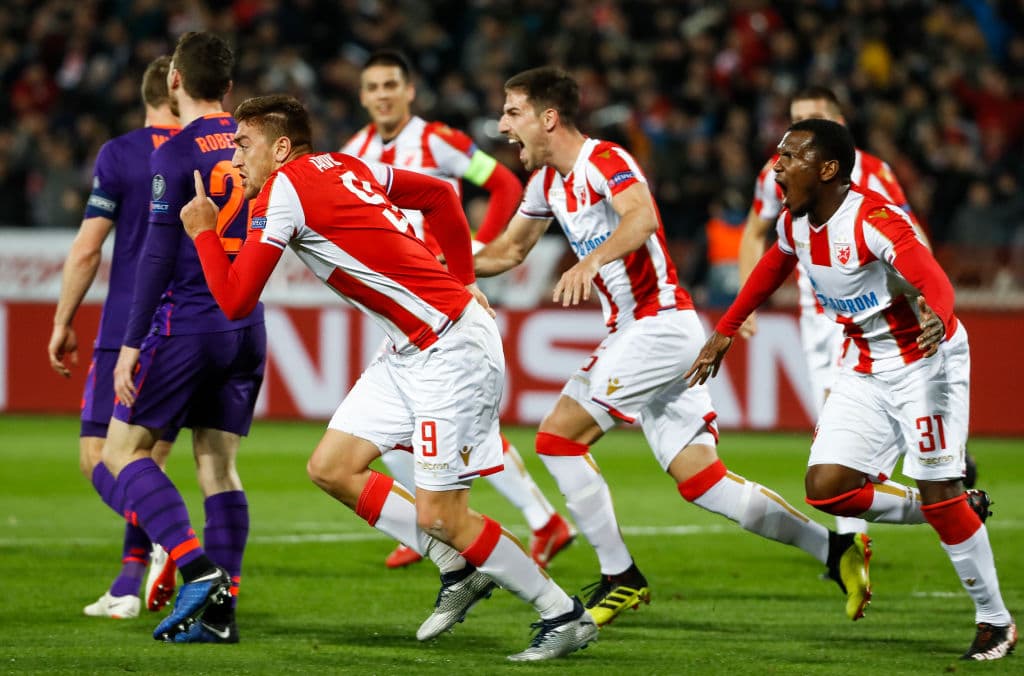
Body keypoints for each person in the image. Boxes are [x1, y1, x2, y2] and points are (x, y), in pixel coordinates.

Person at [179, 93, 597, 662]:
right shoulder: (344, 166)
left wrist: (202, 230)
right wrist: (465, 276)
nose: (234, 157)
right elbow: (440, 194)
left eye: (242, 143)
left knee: (441, 515)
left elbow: (233, 300)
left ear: (280, 148)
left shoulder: (284, 191)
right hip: (409, 348)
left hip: (449, 347)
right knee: (332, 467)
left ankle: (563, 614)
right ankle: (458, 570)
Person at [473, 66, 870, 628]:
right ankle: (835, 551)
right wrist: (438, 261)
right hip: (643, 335)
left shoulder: (604, 161)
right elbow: (507, 251)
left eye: (512, 113)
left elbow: (642, 219)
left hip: (658, 326)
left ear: (549, 118)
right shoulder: (544, 184)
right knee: (703, 482)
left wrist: (589, 259)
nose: (502, 125)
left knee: (558, 439)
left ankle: (620, 577)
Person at [686, 118, 1015, 661]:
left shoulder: (874, 219)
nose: (777, 166)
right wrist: (724, 331)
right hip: (863, 365)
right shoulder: (797, 224)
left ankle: (995, 621)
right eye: (779, 154)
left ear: (828, 169)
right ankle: (951, 506)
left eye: (791, 156)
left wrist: (940, 312)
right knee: (828, 487)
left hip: (925, 365)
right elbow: (771, 268)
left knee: (939, 490)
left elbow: (932, 277)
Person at [342, 49, 574, 570]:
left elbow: (503, 184)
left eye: (390, 85)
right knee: (408, 421)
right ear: (362, 96)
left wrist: (469, 255)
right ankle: (524, 522)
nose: (382, 94)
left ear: (409, 92)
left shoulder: (438, 140)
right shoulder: (353, 150)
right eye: (372, 86)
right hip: (394, 298)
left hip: (436, 297)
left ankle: (494, 524)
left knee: (407, 420)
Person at [738, 88, 978, 538]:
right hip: (821, 317)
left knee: (858, 426)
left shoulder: (873, 172)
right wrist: (746, 300)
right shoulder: (778, 171)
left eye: (812, 118)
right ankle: (870, 529)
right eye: (794, 120)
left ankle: (867, 530)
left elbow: (907, 232)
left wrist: (925, 289)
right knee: (834, 436)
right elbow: (755, 232)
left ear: (839, 122)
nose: (800, 130)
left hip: (881, 313)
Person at [100, 32, 267, 644]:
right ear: (227, 87)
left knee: (122, 452)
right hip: (248, 323)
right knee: (218, 468)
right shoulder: (256, 144)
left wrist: (130, 342)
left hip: (191, 322)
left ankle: (196, 570)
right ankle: (222, 616)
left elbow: (155, 258)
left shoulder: (173, 155)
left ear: (174, 80)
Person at [47, 55, 180, 620]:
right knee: (150, 459)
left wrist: (61, 321)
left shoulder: (123, 153)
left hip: (129, 326)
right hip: (192, 326)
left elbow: (86, 247)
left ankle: (177, 544)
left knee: (98, 457)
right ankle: (129, 585)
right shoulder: (219, 149)